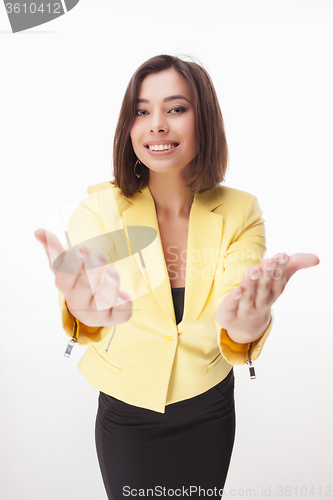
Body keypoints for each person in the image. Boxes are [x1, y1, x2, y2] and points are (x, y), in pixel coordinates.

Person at [34, 54, 319, 500]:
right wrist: (85, 309)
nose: (157, 125)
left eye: (176, 108)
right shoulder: (98, 210)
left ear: (203, 120)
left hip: (208, 409)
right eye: (142, 111)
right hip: (127, 416)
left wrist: (247, 324)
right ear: (128, 128)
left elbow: (238, 290)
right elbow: (90, 275)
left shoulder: (241, 210)